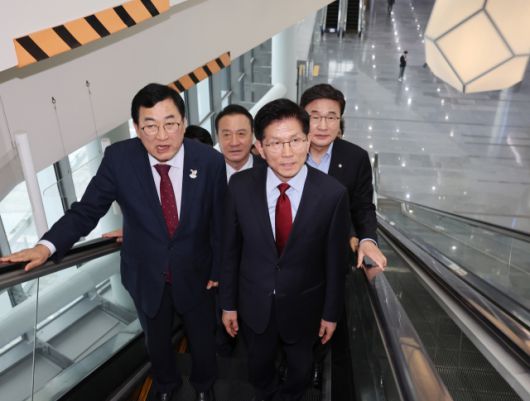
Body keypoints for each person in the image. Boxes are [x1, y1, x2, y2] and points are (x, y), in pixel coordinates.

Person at [0, 83, 225, 401]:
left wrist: (218, 269)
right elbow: (86, 210)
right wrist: (45, 246)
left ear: (184, 123)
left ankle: (204, 387)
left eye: (170, 123)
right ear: (136, 127)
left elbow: (220, 221)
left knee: (202, 340)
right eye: (150, 125)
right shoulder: (120, 159)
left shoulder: (209, 161)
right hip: (146, 275)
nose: (162, 136)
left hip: (198, 274)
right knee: (156, 343)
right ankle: (166, 386)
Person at [220, 98, 350, 401]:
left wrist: (331, 314)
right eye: (276, 143)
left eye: (295, 140)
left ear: (308, 140)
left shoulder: (332, 195)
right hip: (255, 304)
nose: (287, 153)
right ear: (260, 148)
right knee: (258, 368)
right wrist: (228, 305)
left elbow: (335, 262)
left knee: (301, 372)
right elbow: (230, 251)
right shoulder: (240, 186)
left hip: (306, 308)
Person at [300, 83, 387, 386]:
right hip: (291, 255)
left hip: (335, 258)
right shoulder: (288, 151)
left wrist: (367, 239)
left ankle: (317, 362)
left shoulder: (355, 157)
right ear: (302, 118)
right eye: (314, 116)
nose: (322, 125)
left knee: (330, 313)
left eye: (331, 117)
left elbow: (363, 207)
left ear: (340, 122)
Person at [215, 104, 265, 182]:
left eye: (241, 134)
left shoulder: (270, 170)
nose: (234, 143)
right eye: (227, 135)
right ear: (218, 137)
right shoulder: (206, 173)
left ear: (252, 135)